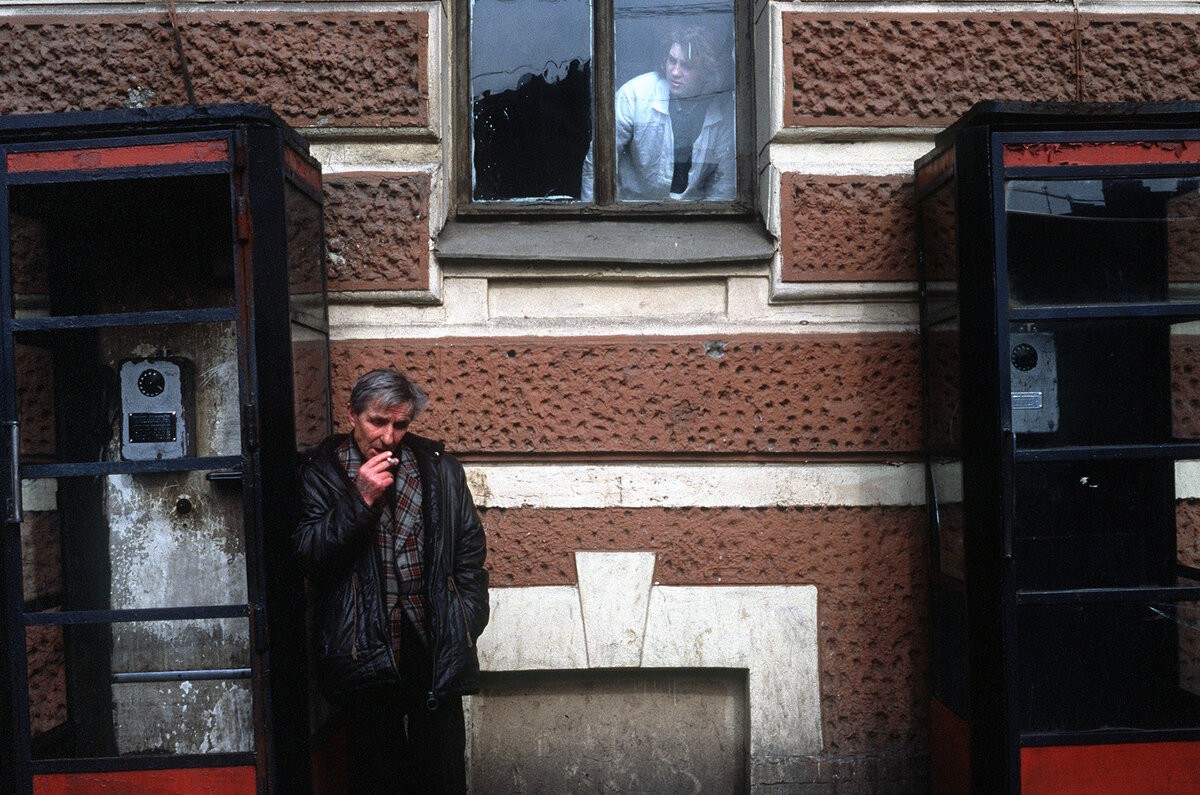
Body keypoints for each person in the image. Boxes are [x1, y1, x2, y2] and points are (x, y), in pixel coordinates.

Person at [293, 369, 489, 793]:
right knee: (377, 774)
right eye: (377, 422)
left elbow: (469, 551)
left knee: (440, 771)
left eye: (400, 425)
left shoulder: (439, 469)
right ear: (352, 415)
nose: (388, 437)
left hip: (431, 640)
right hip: (363, 644)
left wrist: (465, 618)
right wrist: (360, 499)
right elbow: (308, 556)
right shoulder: (320, 472)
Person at [581, 25, 735, 202]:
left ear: (707, 72)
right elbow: (598, 164)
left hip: (693, 215)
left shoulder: (724, 110)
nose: (675, 72)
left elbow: (724, 184)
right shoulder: (635, 94)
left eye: (687, 66)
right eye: (672, 60)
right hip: (629, 210)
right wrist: (595, 215)